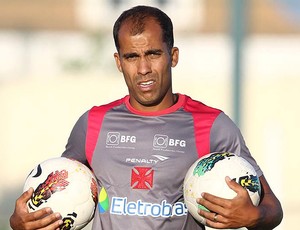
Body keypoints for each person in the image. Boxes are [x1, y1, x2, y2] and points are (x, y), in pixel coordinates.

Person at [10, 5, 283, 230]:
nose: (143, 69)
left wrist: (254, 217)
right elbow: (62, 193)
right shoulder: (93, 123)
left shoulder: (213, 126)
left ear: (172, 56)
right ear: (119, 62)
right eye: (131, 57)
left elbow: (272, 206)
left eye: (153, 54)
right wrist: (21, 222)